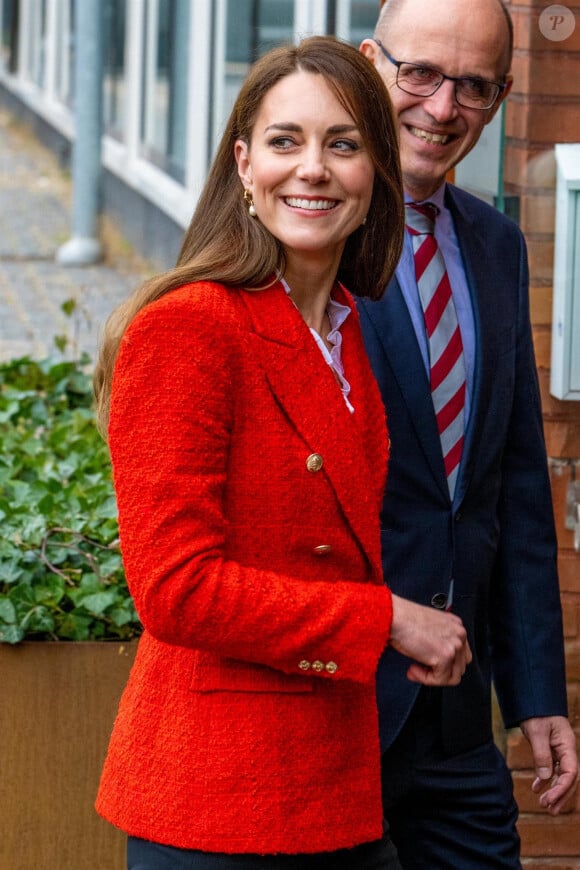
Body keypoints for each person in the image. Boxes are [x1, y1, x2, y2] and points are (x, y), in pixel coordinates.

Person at [93, 36, 472, 870]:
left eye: (343, 145)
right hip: (217, 799)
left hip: (332, 782)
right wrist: (390, 620)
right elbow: (177, 589)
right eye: (285, 141)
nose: (314, 169)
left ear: (375, 176)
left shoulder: (344, 333)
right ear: (243, 165)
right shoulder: (190, 327)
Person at [358, 1, 579, 867]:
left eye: (473, 86)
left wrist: (538, 694)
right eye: (420, 74)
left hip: (456, 721)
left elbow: (515, 486)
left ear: (502, 95)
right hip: (333, 709)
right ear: (373, 63)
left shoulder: (495, 242)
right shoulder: (305, 233)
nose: (442, 108)